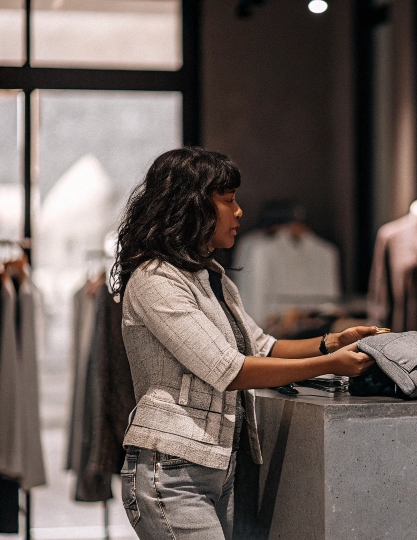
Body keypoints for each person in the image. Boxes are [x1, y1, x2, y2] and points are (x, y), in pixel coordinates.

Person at [112, 147, 378, 539]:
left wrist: (331, 342)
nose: (239, 212)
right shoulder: (156, 279)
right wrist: (329, 364)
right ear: (193, 205)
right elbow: (229, 369)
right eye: (228, 200)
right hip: (172, 472)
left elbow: (262, 346)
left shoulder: (211, 276)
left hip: (218, 468)